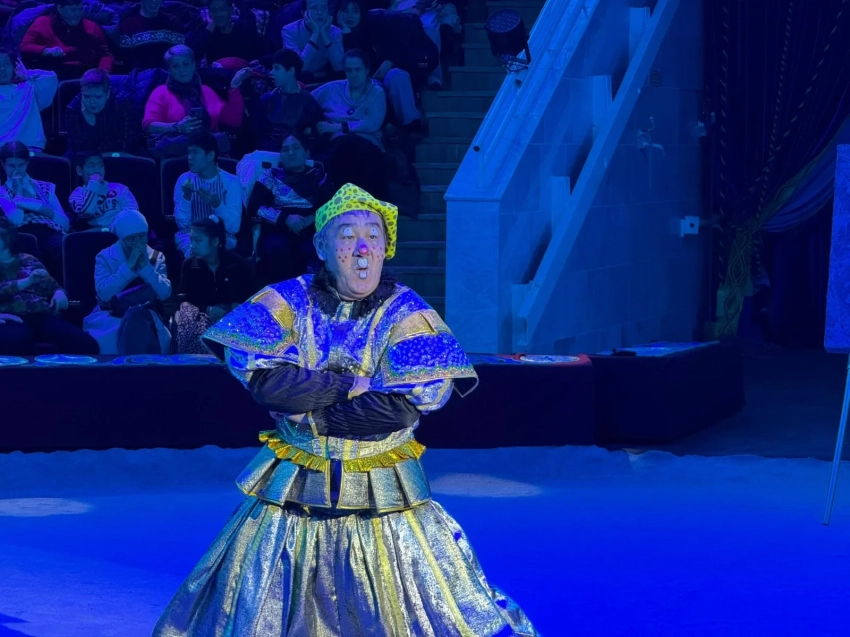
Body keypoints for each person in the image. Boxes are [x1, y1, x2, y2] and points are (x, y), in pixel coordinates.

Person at [152, 183, 539, 636]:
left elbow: (401, 410)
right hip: (295, 491)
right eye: (348, 236)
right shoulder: (288, 300)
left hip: (384, 496)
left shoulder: (407, 312)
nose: (362, 249)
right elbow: (270, 386)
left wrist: (314, 414)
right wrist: (350, 384)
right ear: (322, 247)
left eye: (374, 236)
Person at [0, 216, 98, 355]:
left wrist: (59, 293)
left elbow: (51, 285)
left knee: (86, 344)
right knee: (17, 341)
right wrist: (26, 282)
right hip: (10, 315)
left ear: (8, 238)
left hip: (41, 314)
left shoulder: (28, 259)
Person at [247, 132, 333, 285]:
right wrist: (285, 218)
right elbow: (254, 207)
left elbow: (331, 206)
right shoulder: (269, 176)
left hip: (311, 230)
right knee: (277, 250)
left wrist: (311, 219)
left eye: (296, 148)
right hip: (277, 231)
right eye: (285, 149)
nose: (291, 152)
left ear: (306, 152)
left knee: (315, 251)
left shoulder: (320, 177)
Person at [83, 210, 171, 355]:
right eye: (131, 239)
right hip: (110, 314)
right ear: (122, 238)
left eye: (141, 236)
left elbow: (164, 293)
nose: (137, 242)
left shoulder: (156, 256)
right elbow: (104, 294)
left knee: (137, 319)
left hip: (145, 312)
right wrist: (129, 267)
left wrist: (146, 268)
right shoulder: (105, 256)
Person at [143, 45, 244, 157]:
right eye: (175, 66)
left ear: (193, 65)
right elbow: (149, 126)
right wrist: (177, 127)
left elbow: (233, 121)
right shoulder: (161, 92)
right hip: (176, 154)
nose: (181, 70)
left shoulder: (207, 91)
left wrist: (234, 88)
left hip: (210, 155)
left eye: (186, 64)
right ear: (169, 70)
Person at [312, 48, 388, 198]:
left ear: (366, 70)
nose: (353, 74)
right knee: (340, 150)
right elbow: (307, 100)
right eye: (349, 70)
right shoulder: (333, 88)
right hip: (337, 146)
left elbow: (373, 123)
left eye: (357, 70)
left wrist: (339, 127)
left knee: (350, 146)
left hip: (367, 145)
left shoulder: (377, 92)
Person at [337, 0, 422, 129]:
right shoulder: (334, 33)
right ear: (338, 13)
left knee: (397, 75)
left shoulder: (374, 27)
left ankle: (412, 123)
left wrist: (390, 61)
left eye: (354, 11)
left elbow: (397, 49)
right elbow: (351, 62)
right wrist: (346, 31)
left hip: (382, 74)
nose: (350, 16)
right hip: (356, 82)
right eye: (345, 10)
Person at [175, 216, 253, 354]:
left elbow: (250, 296)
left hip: (233, 319)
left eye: (198, 241)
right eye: (191, 240)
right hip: (202, 319)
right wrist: (207, 309)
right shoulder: (189, 266)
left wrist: (236, 305)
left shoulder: (237, 264)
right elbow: (185, 299)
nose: (192, 245)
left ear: (215, 241)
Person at [0, 141, 70, 280]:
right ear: (3, 165)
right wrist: (20, 192)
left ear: (27, 163)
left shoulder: (45, 187)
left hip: (49, 231)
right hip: (22, 234)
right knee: (28, 252)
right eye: (11, 165)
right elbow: (17, 219)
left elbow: (65, 224)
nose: (16, 170)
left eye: (20, 165)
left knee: (62, 248)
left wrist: (43, 209)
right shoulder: (2, 192)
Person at [173, 132, 241, 258]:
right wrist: (186, 198)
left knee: (213, 250)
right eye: (189, 152)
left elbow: (233, 227)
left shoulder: (231, 182)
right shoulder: (184, 180)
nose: (189, 157)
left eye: (195, 152)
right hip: (190, 235)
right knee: (196, 249)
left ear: (210, 155)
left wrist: (217, 204)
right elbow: (182, 225)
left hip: (221, 236)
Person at [243, 48, 325, 152]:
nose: (271, 73)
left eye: (277, 68)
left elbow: (317, 135)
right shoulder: (266, 100)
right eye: (272, 68)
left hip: (294, 152)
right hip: (268, 152)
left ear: (291, 70)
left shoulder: (308, 102)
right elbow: (258, 135)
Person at [19, 0, 114, 81]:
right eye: (73, 10)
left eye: (80, 9)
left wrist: (102, 74)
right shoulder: (42, 23)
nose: (78, 14)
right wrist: (46, 50)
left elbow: (106, 55)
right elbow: (24, 47)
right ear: (60, 9)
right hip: (52, 76)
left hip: (85, 77)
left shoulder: (92, 28)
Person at [65, 69, 140, 156]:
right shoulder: (73, 108)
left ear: (108, 93)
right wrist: (89, 122)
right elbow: (78, 147)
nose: (92, 102)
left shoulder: (123, 103)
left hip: (118, 154)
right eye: (87, 96)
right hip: (86, 159)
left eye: (98, 97)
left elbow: (126, 144)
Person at [0, 47, 58, 151]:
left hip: (30, 148)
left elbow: (51, 78)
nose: (2, 68)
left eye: (6, 64)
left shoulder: (28, 87)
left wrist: (27, 74)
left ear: (13, 67)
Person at [68, 153, 139, 231]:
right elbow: (86, 211)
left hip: (121, 231)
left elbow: (133, 213)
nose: (98, 170)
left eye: (101, 165)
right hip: (92, 234)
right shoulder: (77, 194)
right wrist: (94, 183)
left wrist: (114, 228)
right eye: (92, 166)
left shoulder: (120, 188)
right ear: (80, 171)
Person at [186, 0, 266, 67]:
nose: (218, 14)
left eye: (222, 9)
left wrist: (257, 62)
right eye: (214, 10)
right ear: (209, 13)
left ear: (231, 10)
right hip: (218, 78)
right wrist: (210, 27)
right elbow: (193, 56)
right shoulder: (207, 34)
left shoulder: (245, 29)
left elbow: (263, 53)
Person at [282, 0, 344, 84]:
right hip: (297, 81)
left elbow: (340, 68)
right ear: (304, 13)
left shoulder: (335, 32)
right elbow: (300, 68)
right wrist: (315, 33)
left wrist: (324, 34)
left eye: (324, 8)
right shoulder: (289, 31)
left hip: (325, 80)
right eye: (314, 8)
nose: (320, 12)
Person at [118, 0, 186, 72]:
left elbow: (181, 55)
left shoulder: (172, 22)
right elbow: (125, 59)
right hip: (139, 76)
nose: (154, 1)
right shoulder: (128, 25)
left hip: (168, 74)